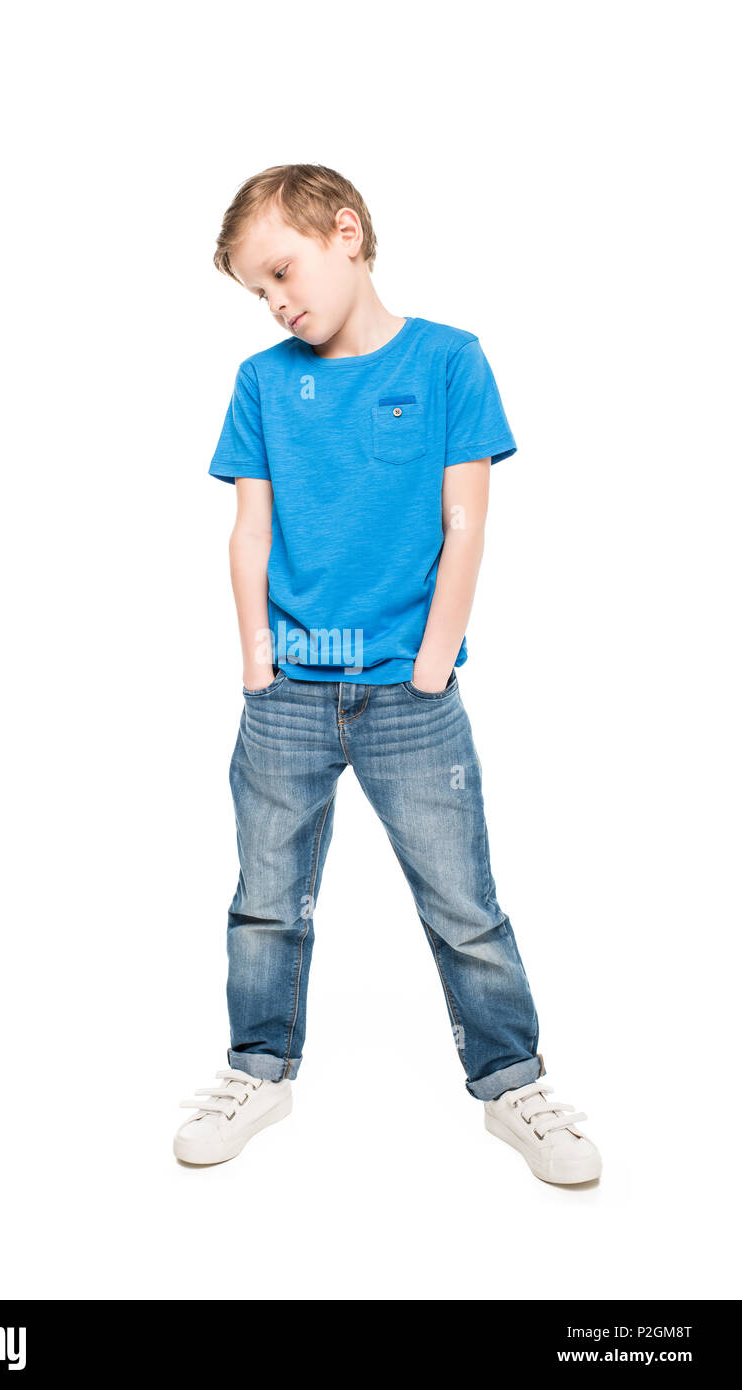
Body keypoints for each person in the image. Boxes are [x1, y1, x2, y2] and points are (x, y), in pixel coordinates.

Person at [174, 164, 601, 1185]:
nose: (277, 301)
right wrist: (255, 665)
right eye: (257, 291)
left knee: (464, 903)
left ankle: (512, 1081)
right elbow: (249, 531)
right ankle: (259, 1067)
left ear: (346, 233)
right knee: (268, 898)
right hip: (287, 695)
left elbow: (466, 521)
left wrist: (431, 664)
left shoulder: (451, 360)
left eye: (281, 271)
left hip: (414, 697)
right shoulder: (264, 381)